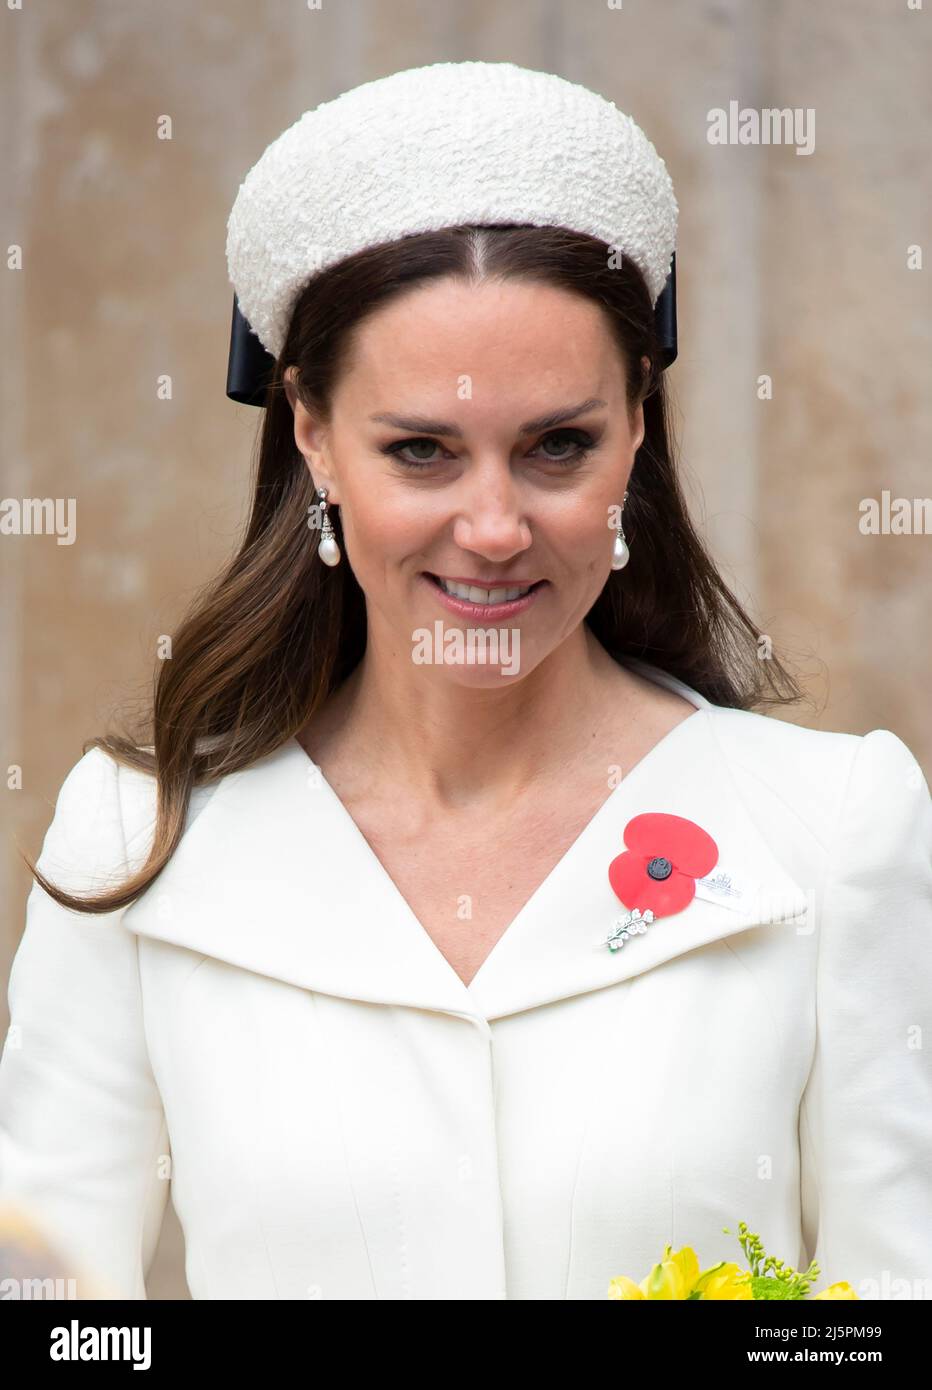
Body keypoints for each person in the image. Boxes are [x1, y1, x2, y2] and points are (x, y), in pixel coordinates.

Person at [1, 61, 930, 1302]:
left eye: (557, 445)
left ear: (638, 427)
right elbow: (56, 1316)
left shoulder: (832, 829)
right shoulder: (139, 837)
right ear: (312, 435)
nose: (492, 528)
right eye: (421, 452)